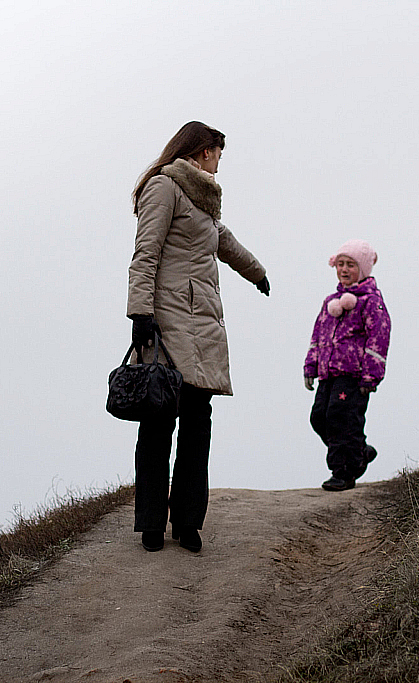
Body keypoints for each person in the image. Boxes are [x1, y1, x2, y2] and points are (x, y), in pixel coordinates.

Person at [127, 121, 269, 552]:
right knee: (157, 423)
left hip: (203, 326)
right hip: (167, 326)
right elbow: (145, 252)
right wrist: (140, 313)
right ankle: (152, 523)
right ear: (204, 151)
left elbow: (224, 242)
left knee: (197, 424)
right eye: (219, 153)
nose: (221, 162)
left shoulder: (203, 202)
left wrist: (257, 272)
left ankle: (188, 522)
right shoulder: (164, 187)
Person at [303, 239, 391, 491]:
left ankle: (344, 471)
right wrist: (310, 367)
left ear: (362, 269)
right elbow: (317, 335)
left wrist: (371, 376)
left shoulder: (371, 301)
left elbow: (380, 337)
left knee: (342, 419)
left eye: (350, 265)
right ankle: (358, 452)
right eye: (340, 264)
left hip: (354, 375)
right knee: (319, 418)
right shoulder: (330, 301)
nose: (344, 270)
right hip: (328, 374)